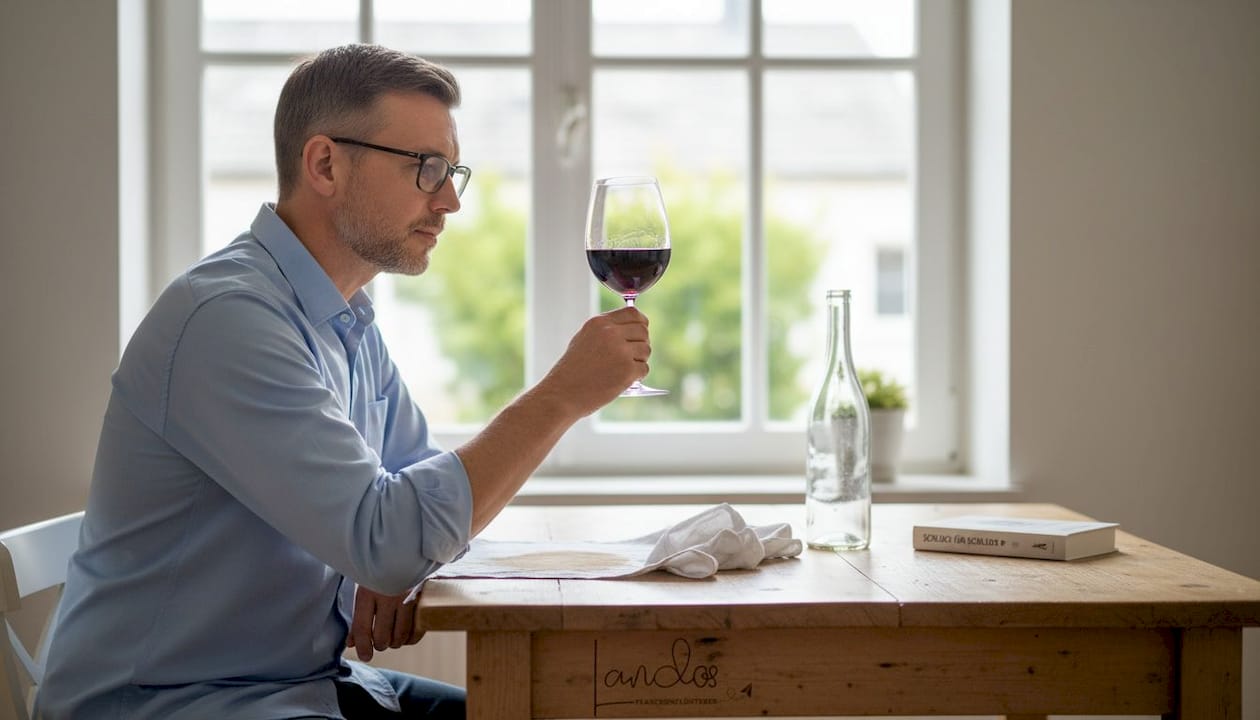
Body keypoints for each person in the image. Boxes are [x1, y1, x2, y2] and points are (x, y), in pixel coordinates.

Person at [37, 44, 652, 719]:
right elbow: (396, 535)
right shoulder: (229, 321)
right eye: (425, 168)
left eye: (453, 172)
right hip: (174, 705)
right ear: (326, 164)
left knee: (539, 710)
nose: (448, 200)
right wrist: (561, 396)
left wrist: (398, 550)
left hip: (302, 686)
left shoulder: (347, 321)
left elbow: (422, 502)